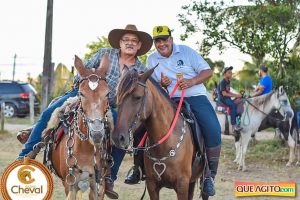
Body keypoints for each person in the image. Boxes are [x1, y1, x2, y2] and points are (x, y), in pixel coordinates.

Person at [17, 24, 153, 199]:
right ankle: (28, 153)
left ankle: (109, 178)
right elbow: (84, 69)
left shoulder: (139, 69)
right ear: (119, 42)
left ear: (139, 46)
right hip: (83, 92)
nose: (130, 43)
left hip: (107, 103)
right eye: (126, 40)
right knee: (50, 112)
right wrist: (84, 88)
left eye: (134, 41)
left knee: (120, 134)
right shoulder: (106, 54)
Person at [147, 25, 221, 196]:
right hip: (168, 100)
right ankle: (139, 168)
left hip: (194, 96)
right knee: (143, 126)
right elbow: (152, 85)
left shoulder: (186, 52)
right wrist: (162, 84)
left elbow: (208, 71)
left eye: (164, 39)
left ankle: (209, 176)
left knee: (213, 130)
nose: (161, 44)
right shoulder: (151, 59)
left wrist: (192, 81)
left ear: (171, 40)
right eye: (157, 41)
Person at [217, 66, 243, 131]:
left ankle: (239, 120)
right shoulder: (223, 82)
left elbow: (228, 91)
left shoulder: (228, 81)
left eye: (231, 72)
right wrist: (236, 95)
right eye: (229, 72)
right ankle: (234, 125)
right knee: (233, 105)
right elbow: (224, 93)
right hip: (223, 99)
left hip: (227, 98)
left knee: (238, 101)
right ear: (224, 74)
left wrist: (237, 95)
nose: (231, 74)